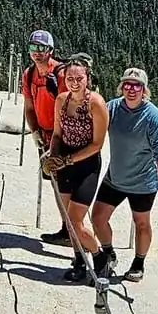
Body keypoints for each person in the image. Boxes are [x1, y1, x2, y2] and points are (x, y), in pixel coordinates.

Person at [91, 66, 158, 283]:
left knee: (141, 222)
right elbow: (95, 124)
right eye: (127, 84)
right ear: (122, 87)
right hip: (115, 177)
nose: (131, 89)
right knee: (97, 218)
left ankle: (139, 263)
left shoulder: (153, 117)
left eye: (136, 85)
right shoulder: (113, 108)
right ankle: (108, 253)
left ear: (144, 89)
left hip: (143, 182)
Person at [44, 54, 109, 284]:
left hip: (87, 165)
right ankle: (79, 261)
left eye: (79, 78)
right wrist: (53, 156)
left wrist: (67, 160)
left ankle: (101, 257)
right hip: (65, 163)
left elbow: (97, 144)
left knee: (76, 221)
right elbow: (57, 134)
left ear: (87, 78)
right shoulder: (61, 100)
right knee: (68, 219)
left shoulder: (97, 104)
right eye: (70, 78)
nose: (74, 82)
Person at [19, 31, 70, 246]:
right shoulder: (29, 74)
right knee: (56, 183)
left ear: (50, 50)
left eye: (41, 48)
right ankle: (67, 229)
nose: (37, 53)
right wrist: (35, 133)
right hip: (45, 136)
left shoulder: (60, 73)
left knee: (67, 185)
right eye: (33, 48)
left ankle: (73, 230)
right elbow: (29, 107)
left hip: (64, 136)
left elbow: (70, 106)